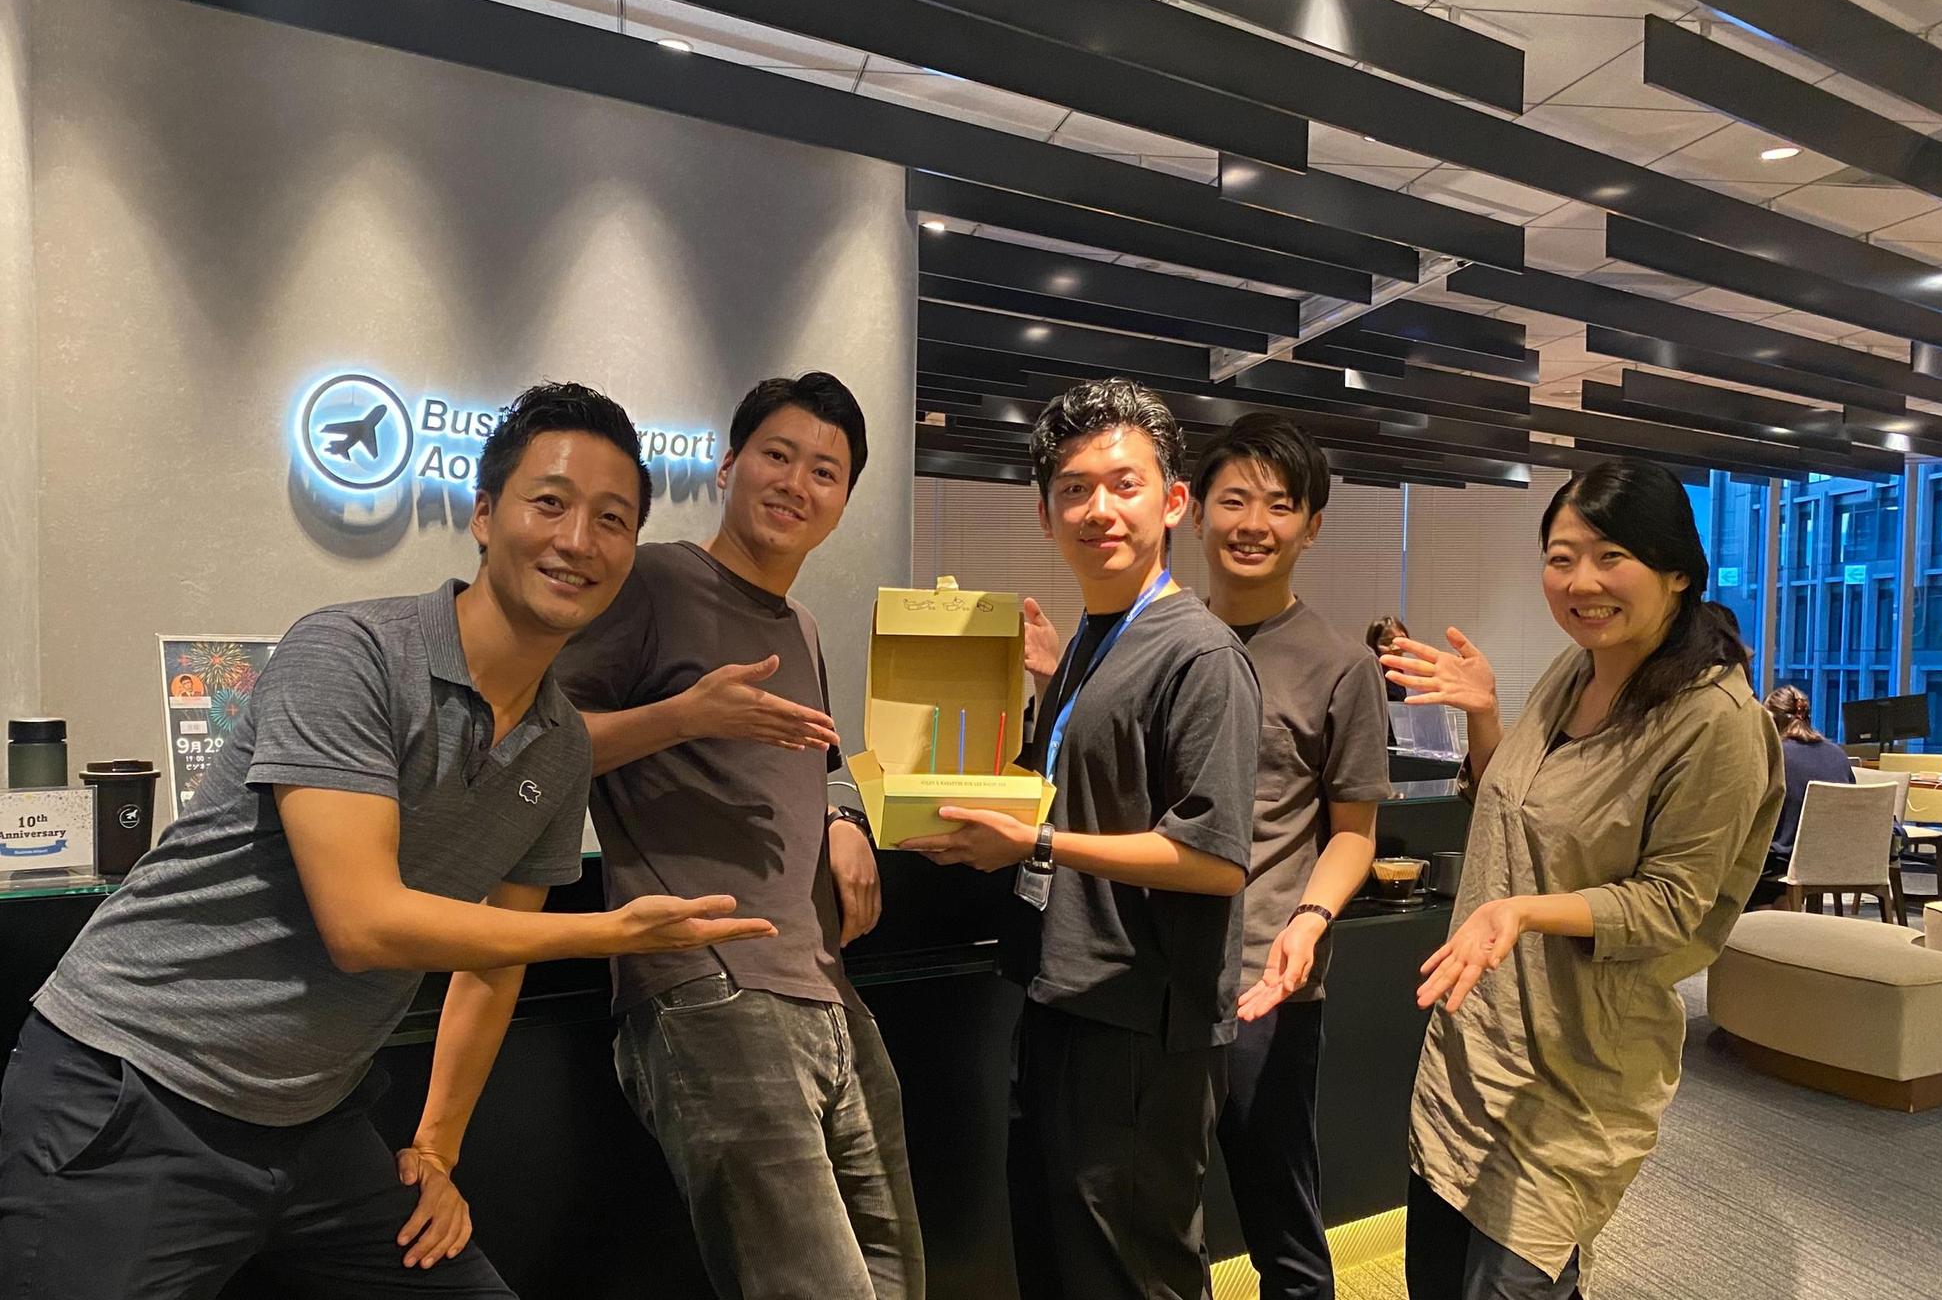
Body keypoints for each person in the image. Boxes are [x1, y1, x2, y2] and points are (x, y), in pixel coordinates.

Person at [0, 383, 775, 1298]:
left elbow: (492, 966)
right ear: (485, 515)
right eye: (550, 503)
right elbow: (362, 923)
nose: (578, 540)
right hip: (134, 1088)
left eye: (612, 520)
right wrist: (605, 933)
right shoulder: (352, 653)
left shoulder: (562, 746)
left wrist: (436, 1151)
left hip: (314, 1121)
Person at [555, 372, 925, 1300]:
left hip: (826, 990)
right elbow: (534, 744)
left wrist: (842, 816)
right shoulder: (653, 580)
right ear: (729, 466)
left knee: (897, 1281)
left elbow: (801, 764)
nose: (797, 483)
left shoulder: (801, 626)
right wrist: (681, 716)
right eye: (778, 455)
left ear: (843, 501)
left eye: (825, 472)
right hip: (711, 986)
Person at [1382, 458, 1783, 1300]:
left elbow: (1675, 904)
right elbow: (1517, 811)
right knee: (1435, 1283)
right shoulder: (1575, 673)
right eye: (1561, 559)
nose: (1581, 582)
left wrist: (1523, 912)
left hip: (1578, 1069)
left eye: (1610, 557)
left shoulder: (1716, 721)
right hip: (1474, 1047)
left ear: (1677, 572)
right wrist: (1484, 714)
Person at [901, 377, 1261, 1300]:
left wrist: (1039, 845)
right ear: (1045, 513)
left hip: (1141, 1021)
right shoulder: (1091, 646)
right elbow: (1079, 787)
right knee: (1057, 1262)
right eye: (1073, 489)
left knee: (1132, 1272)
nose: (1098, 509)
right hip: (1061, 993)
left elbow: (1215, 860)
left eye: (1123, 484)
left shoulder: (1201, 653)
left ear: (1172, 501)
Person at [1192, 414, 1392, 1300]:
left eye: (1279, 505)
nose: (1253, 523)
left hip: (1267, 981)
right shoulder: (1164, 641)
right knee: (1161, 1218)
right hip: (1155, 975)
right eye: (1234, 500)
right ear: (1194, 511)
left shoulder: (1340, 664)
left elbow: (1353, 831)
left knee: (1281, 1220)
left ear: (1311, 526)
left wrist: (1309, 920)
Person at [1758, 685, 1853, 902]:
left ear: (1770, 719)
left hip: (1786, 862)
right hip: (1839, 860)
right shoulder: (1838, 755)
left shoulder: (1774, 755)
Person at [1368, 614, 1411, 702]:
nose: (1396, 647)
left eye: (1402, 641)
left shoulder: (1413, 672)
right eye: (1387, 642)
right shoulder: (1371, 676)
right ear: (1374, 646)